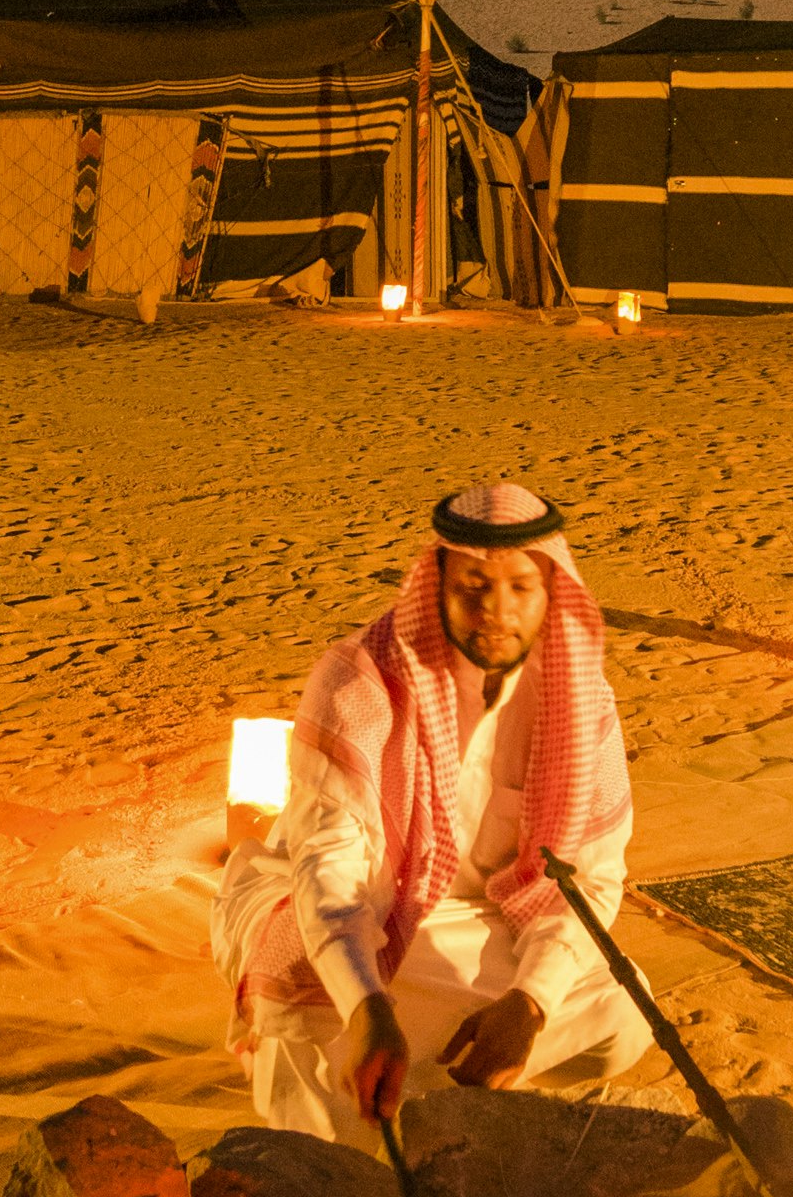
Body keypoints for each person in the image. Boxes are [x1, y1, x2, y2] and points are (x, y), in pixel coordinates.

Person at [218, 475, 649, 1148]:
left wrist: (529, 1003)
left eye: (519, 587)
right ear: (438, 585)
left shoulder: (576, 697)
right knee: (306, 1007)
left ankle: (438, 1071)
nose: (496, 610)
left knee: (623, 1012)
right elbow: (329, 879)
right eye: (472, 586)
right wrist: (367, 1009)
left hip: (496, 920)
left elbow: (591, 876)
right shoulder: (359, 683)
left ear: (549, 593)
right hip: (362, 912)